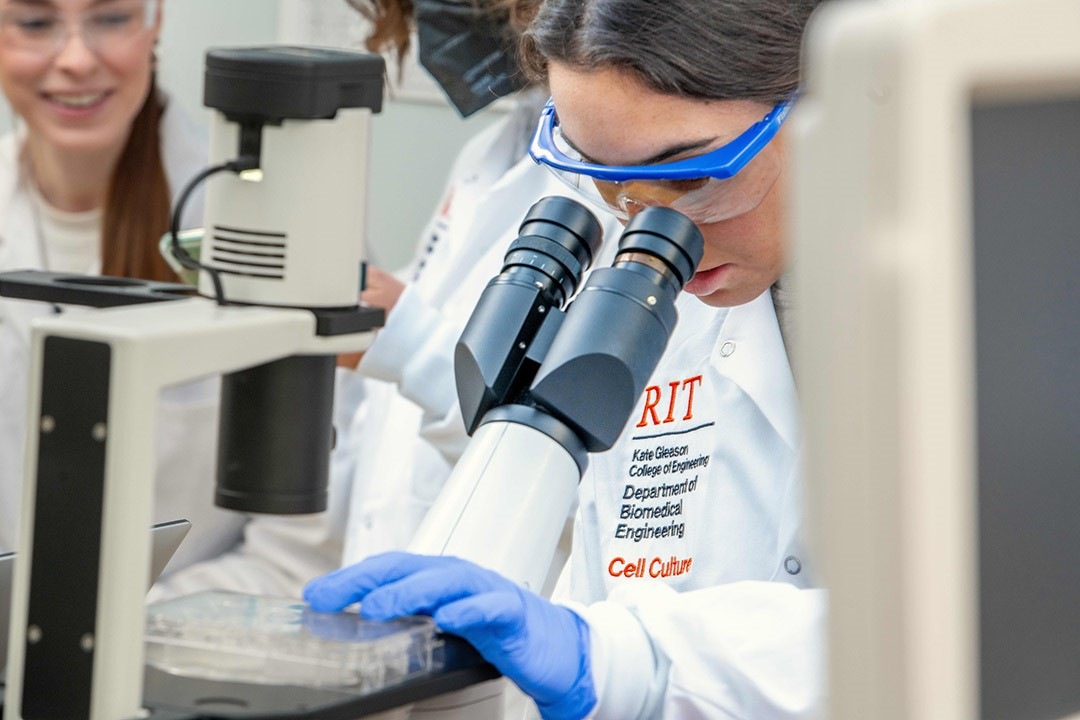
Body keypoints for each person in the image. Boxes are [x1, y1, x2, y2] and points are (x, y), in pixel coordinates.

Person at [305, 1, 827, 718]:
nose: (651, 230)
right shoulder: (663, 307)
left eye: (694, 178)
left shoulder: (986, 309)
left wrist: (620, 660)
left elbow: (957, 640)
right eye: (605, 181)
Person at [149, 0, 623, 601]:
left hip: (514, 646)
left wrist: (410, 345)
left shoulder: (622, 183)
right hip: (399, 629)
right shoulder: (484, 161)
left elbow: (594, 475)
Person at [0, 0, 247, 574]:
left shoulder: (264, 219)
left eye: (110, 18)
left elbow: (305, 536)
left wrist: (119, 636)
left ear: (155, 19)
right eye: (35, 23)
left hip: (181, 643)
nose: (78, 60)